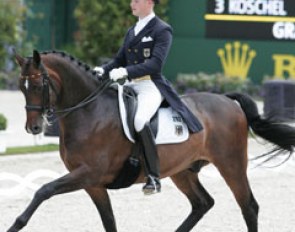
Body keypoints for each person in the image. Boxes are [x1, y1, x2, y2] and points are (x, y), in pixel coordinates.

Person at [94, 0, 203, 195]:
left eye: (137, 0)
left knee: (139, 120)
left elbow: (155, 65)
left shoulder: (162, 30)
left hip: (150, 85)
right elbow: (119, 60)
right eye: (132, 0)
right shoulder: (132, 30)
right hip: (129, 84)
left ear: (149, 2)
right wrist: (103, 70)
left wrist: (125, 71)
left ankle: (153, 175)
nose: (132, 4)